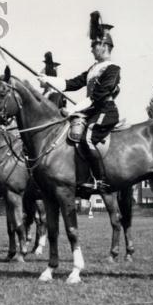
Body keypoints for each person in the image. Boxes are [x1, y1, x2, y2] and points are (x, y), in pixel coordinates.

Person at [38, 11, 121, 194]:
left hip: (105, 111)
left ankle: (100, 180)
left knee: (88, 137)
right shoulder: (93, 68)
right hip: (93, 110)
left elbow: (97, 97)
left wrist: (73, 110)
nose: (91, 49)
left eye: (94, 45)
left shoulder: (112, 69)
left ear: (103, 45)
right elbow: (71, 84)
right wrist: (48, 80)